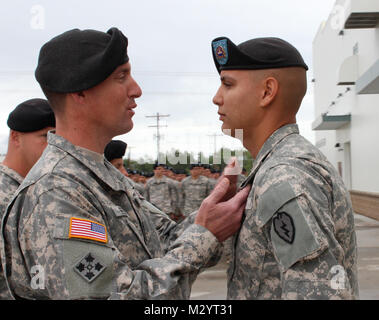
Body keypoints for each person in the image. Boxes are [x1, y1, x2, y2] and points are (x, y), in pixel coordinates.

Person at [1, 27, 250, 300]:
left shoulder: (100, 174)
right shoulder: (56, 190)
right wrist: (204, 236)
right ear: (80, 92)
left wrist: (211, 211)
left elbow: (165, 240)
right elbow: (114, 295)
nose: (137, 90)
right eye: (122, 76)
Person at [211, 36, 358, 299]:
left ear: (267, 92)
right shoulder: (280, 165)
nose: (216, 98)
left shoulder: (284, 175)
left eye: (227, 84)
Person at [0, 98, 55, 299]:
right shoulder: (4, 192)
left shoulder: (36, 190)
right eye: (45, 137)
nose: (53, 147)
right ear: (16, 137)